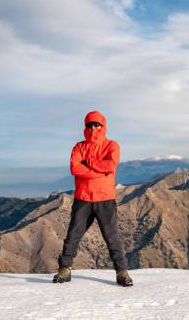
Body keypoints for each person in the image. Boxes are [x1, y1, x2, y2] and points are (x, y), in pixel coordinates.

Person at [53, 111, 133, 287]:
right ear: (85, 127)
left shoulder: (112, 145)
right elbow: (75, 168)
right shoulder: (78, 147)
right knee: (73, 235)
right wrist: (99, 170)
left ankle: (122, 273)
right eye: (90, 125)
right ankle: (64, 270)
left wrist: (87, 163)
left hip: (105, 199)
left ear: (103, 126)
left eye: (96, 124)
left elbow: (110, 166)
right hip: (83, 197)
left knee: (112, 237)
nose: (93, 128)